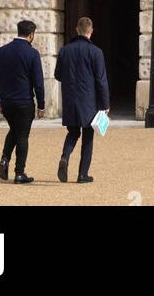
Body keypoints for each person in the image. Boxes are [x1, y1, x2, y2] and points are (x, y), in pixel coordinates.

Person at [55, 16, 110, 184]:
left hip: (71, 97)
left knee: (72, 132)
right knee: (88, 136)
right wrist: (105, 103)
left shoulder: (65, 50)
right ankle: (82, 174)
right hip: (89, 100)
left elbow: (58, 74)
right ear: (90, 31)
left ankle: (65, 157)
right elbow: (101, 80)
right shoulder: (96, 52)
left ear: (76, 30)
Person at [0, 18, 44, 185]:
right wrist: (41, 105)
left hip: (6, 102)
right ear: (31, 35)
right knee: (22, 135)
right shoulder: (32, 53)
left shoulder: (2, 51)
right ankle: (19, 172)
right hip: (24, 102)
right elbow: (38, 82)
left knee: (14, 130)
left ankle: (5, 159)